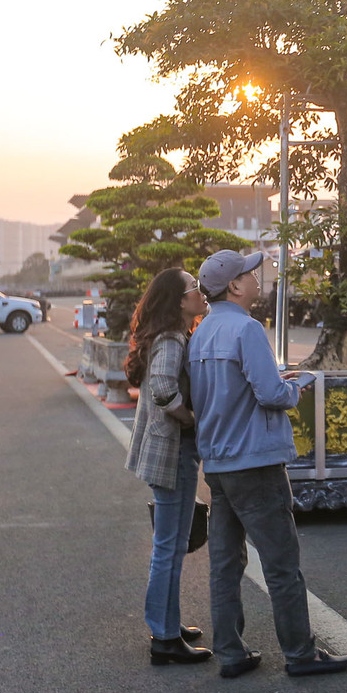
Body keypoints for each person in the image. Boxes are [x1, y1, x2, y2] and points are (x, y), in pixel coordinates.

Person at [188, 249, 347, 680]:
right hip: (255, 462)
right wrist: (295, 389)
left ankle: (230, 652)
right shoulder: (247, 329)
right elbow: (270, 394)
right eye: (249, 273)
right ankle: (300, 654)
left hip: (219, 463)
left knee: (225, 564)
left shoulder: (201, 332)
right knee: (281, 563)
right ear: (235, 286)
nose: (258, 277)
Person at [124, 267, 212, 666]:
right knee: (169, 548)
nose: (200, 292)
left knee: (171, 546)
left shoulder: (170, 337)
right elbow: (163, 389)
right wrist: (190, 417)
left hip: (169, 452)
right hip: (172, 452)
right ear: (179, 301)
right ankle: (163, 636)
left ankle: (167, 624)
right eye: (194, 288)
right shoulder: (173, 339)